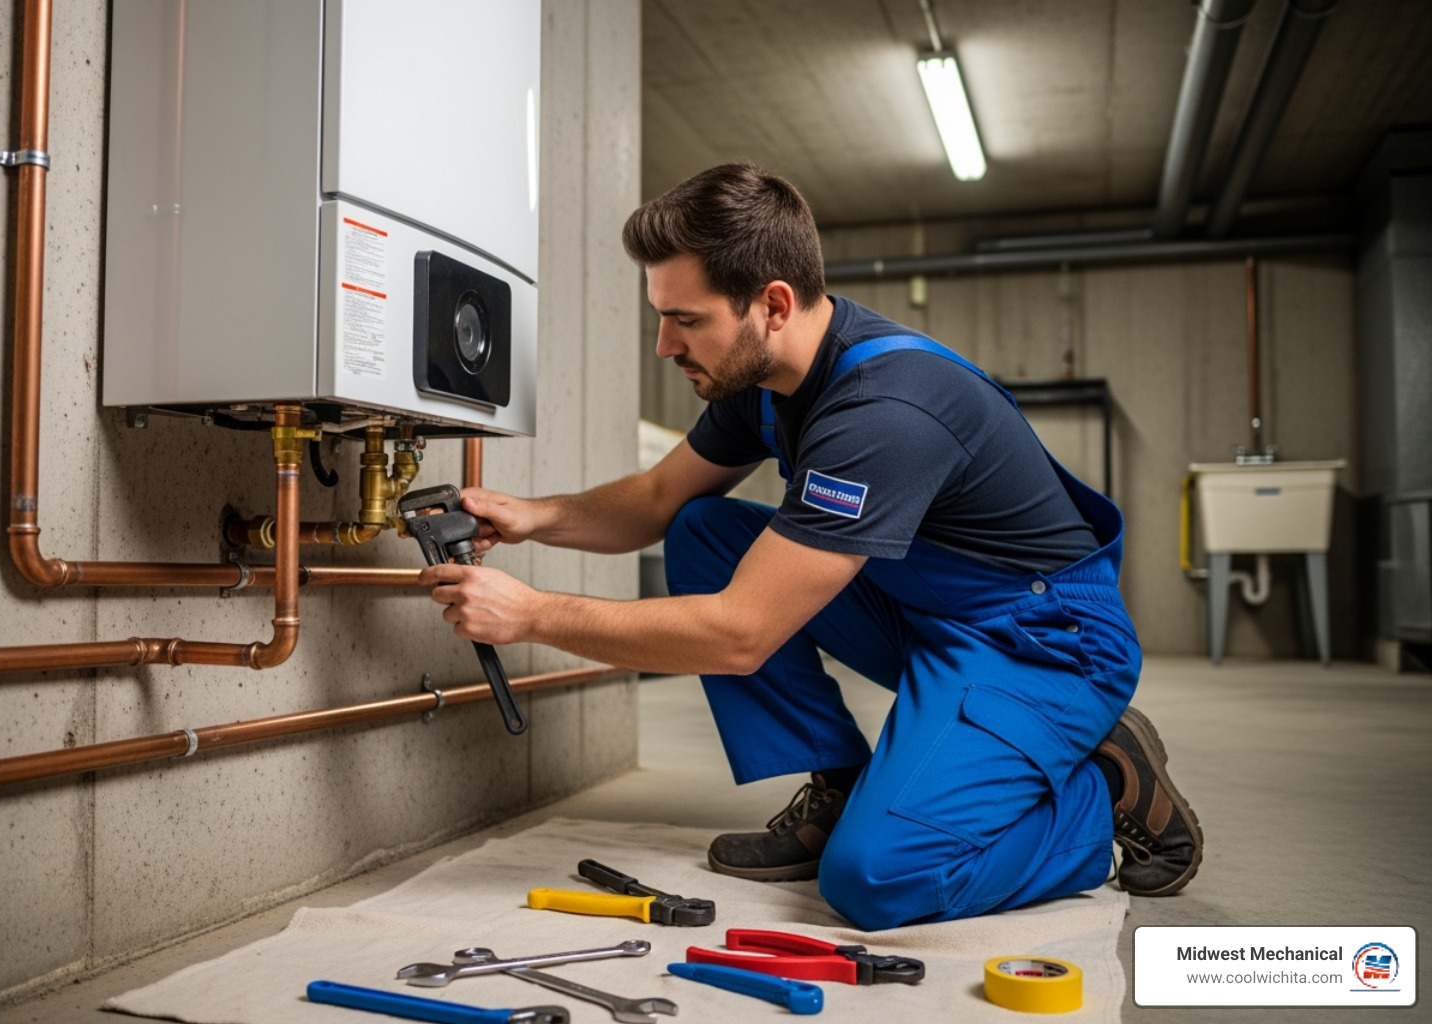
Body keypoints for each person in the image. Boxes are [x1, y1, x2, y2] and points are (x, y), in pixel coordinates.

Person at [417, 163, 1202, 929]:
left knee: (877, 880)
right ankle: (839, 787)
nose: (664, 345)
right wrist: (533, 514)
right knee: (703, 529)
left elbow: (738, 634)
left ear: (774, 304)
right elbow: (658, 501)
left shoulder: (885, 411)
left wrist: (530, 614)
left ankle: (1102, 792)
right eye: (663, 316)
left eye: (686, 319)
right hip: (920, 606)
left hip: (1039, 643)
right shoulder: (765, 382)